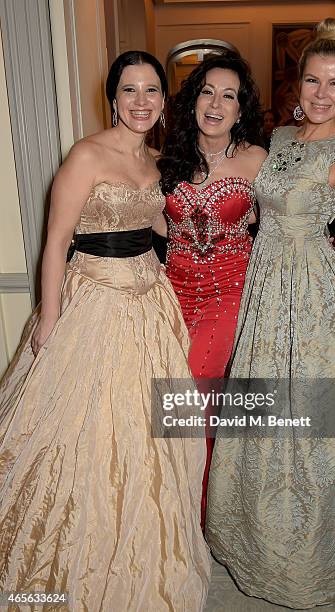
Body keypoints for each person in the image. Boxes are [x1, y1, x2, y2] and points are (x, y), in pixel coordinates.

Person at [0, 51, 210, 610]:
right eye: (129, 91)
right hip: (93, 301)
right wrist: (49, 323)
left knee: (151, 433)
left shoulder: (159, 162)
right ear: (112, 99)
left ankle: (148, 545)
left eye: (151, 92)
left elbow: (161, 222)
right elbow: (54, 244)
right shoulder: (85, 156)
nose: (140, 102)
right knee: (85, 432)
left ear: (163, 102)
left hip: (150, 304)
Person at [206, 17, 335, 608]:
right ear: (300, 84)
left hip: (311, 295)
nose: (321, 93)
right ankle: (254, 538)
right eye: (313, 80)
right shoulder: (282, 140)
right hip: (264, 294)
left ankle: (313, 551)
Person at [155, 51, 267, 527]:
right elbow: (153, 225)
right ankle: (172, 500)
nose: (216, 104)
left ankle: (199, 517)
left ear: (241, 109)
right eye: (207, 91)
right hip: (171, 291)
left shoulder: (258, 160)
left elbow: (285, 222)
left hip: (229, 291)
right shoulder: (166, 160)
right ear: (193, 100)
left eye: (229, 95)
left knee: (194, 391)